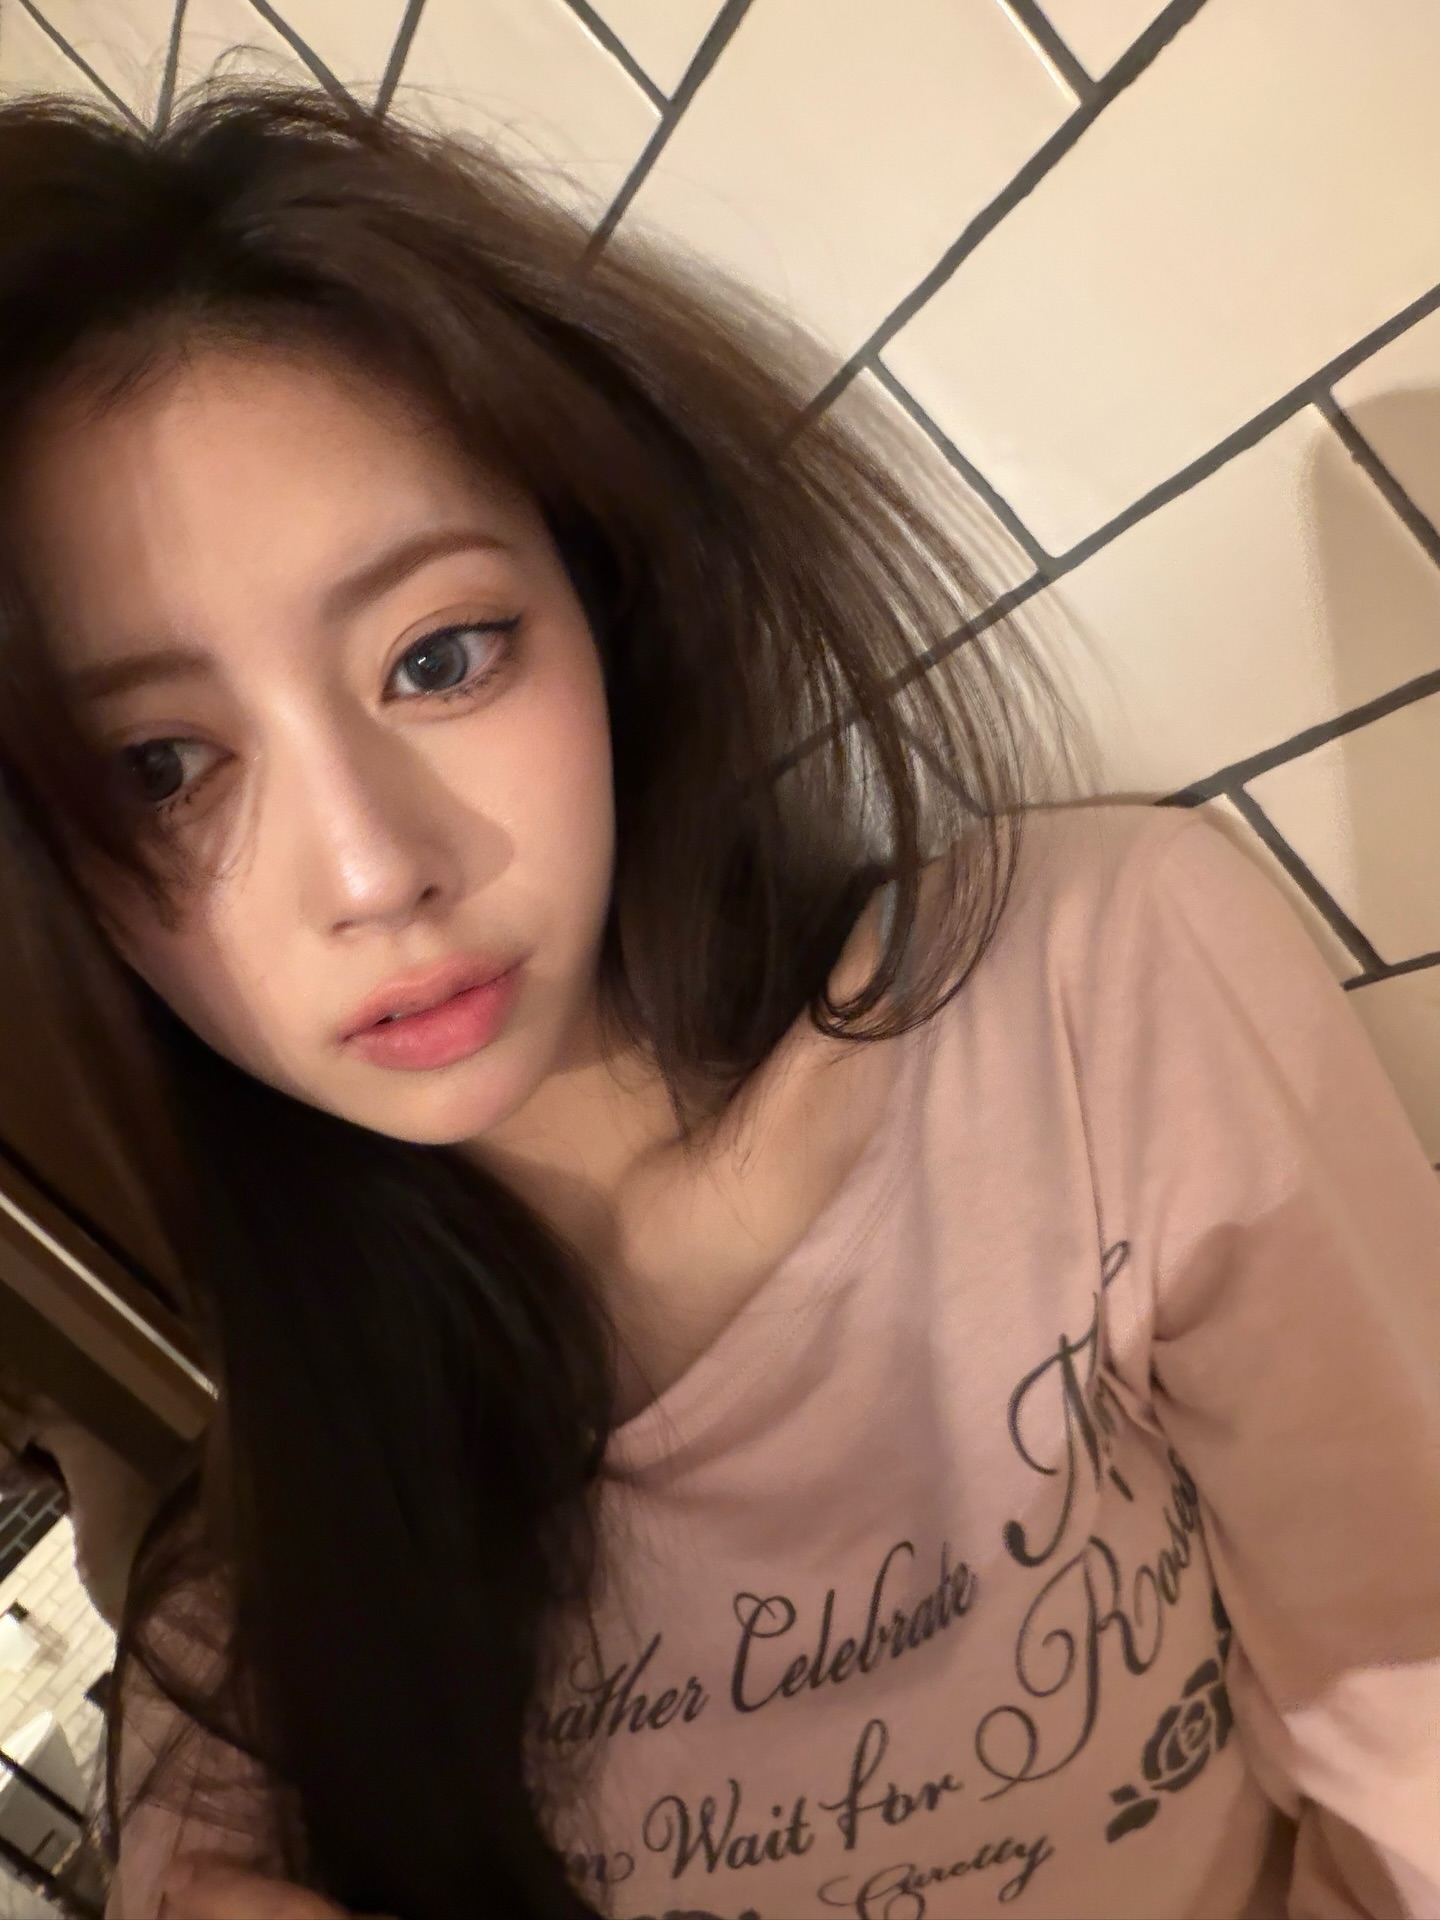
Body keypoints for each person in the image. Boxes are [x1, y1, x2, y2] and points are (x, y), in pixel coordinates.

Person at [0, 85, 1433, 1920]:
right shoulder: (249, 1685)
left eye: (440, 655)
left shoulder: (1090, 1004)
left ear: (602, 609)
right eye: (162, 769)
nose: (370, 870)